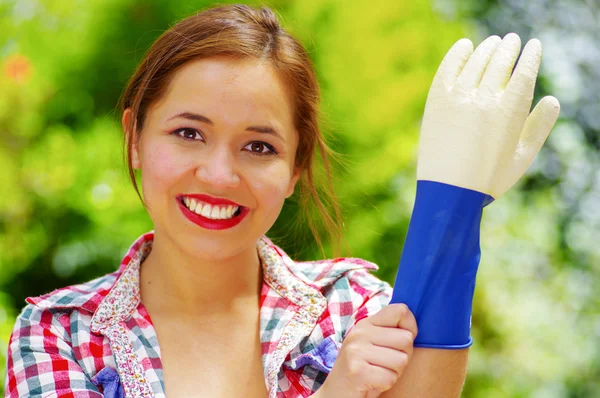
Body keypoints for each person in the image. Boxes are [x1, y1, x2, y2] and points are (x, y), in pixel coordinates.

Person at [3, 3, 559, 398]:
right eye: (188, 133)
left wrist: (453, 207)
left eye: (258, 146)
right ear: (134, 140)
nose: (219, 175)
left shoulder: (352, 311)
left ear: (294, 170)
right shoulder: (58, 336)